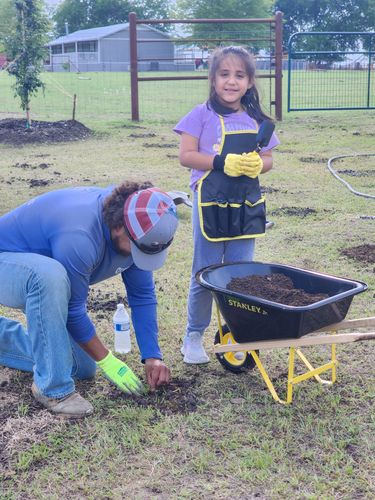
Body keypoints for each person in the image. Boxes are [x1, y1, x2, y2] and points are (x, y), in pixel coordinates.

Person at [0, 181, 179, 418]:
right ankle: (52, 390)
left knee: (80, 366)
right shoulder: (81, 235)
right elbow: (73, 311)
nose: (141, 258)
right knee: (49, 276)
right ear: (118, 228)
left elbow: (142, 296)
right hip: (9, 263)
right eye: (139, 250)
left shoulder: (138, 228)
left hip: (40, 276)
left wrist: (152, 357)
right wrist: (108, 360)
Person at [174, 46, 280, 364]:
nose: (231, 82)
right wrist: (222, 162)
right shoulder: (200, 115)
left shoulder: (257, 119)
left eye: (239, 75)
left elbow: (270, 158)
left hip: (245, 203)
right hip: (209, 203)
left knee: (240, 273)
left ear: (249, 81)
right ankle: (193, 336)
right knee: (205, 271)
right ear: (213, 79)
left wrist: (257, 165)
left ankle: (237, 333)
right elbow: (186, 155)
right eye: (224, 74)